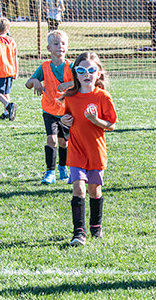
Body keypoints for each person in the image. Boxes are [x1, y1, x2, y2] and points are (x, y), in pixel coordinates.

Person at [60, 51, 117, 246]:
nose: (86, 74)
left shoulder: (103, 97)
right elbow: (67, 118)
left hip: (96, 151)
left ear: (98, 73)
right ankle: (79, 232)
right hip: (76, 150)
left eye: (91, 70)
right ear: (75, 74)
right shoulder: (70, 96)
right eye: (81, 70)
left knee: (94, 190)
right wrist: (63, 120)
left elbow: (111, 125)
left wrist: (95, 120)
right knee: (79, 188)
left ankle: (96, 226)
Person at [26, 30, 74, 184]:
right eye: (56, 43)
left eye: (63, 43)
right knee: (51, 139)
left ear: (67, 48)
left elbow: (81, 82)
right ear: (48, 48)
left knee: (63, 142)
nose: (60, 46)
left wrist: (68, 84)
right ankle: (50, 172)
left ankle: (63, 167)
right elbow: (28, 83)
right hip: (49, 110)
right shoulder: (44, 66)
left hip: (66, 111)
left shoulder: (71, 66)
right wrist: (35, 81)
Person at [0, 16, 19, 121]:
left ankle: (8, 105)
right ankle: (7, 113)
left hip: (0, 70)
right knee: (6, 93)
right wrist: (16, 71)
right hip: (10, 70)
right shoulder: (12, 41)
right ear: (8, 28)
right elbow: (15, 57)